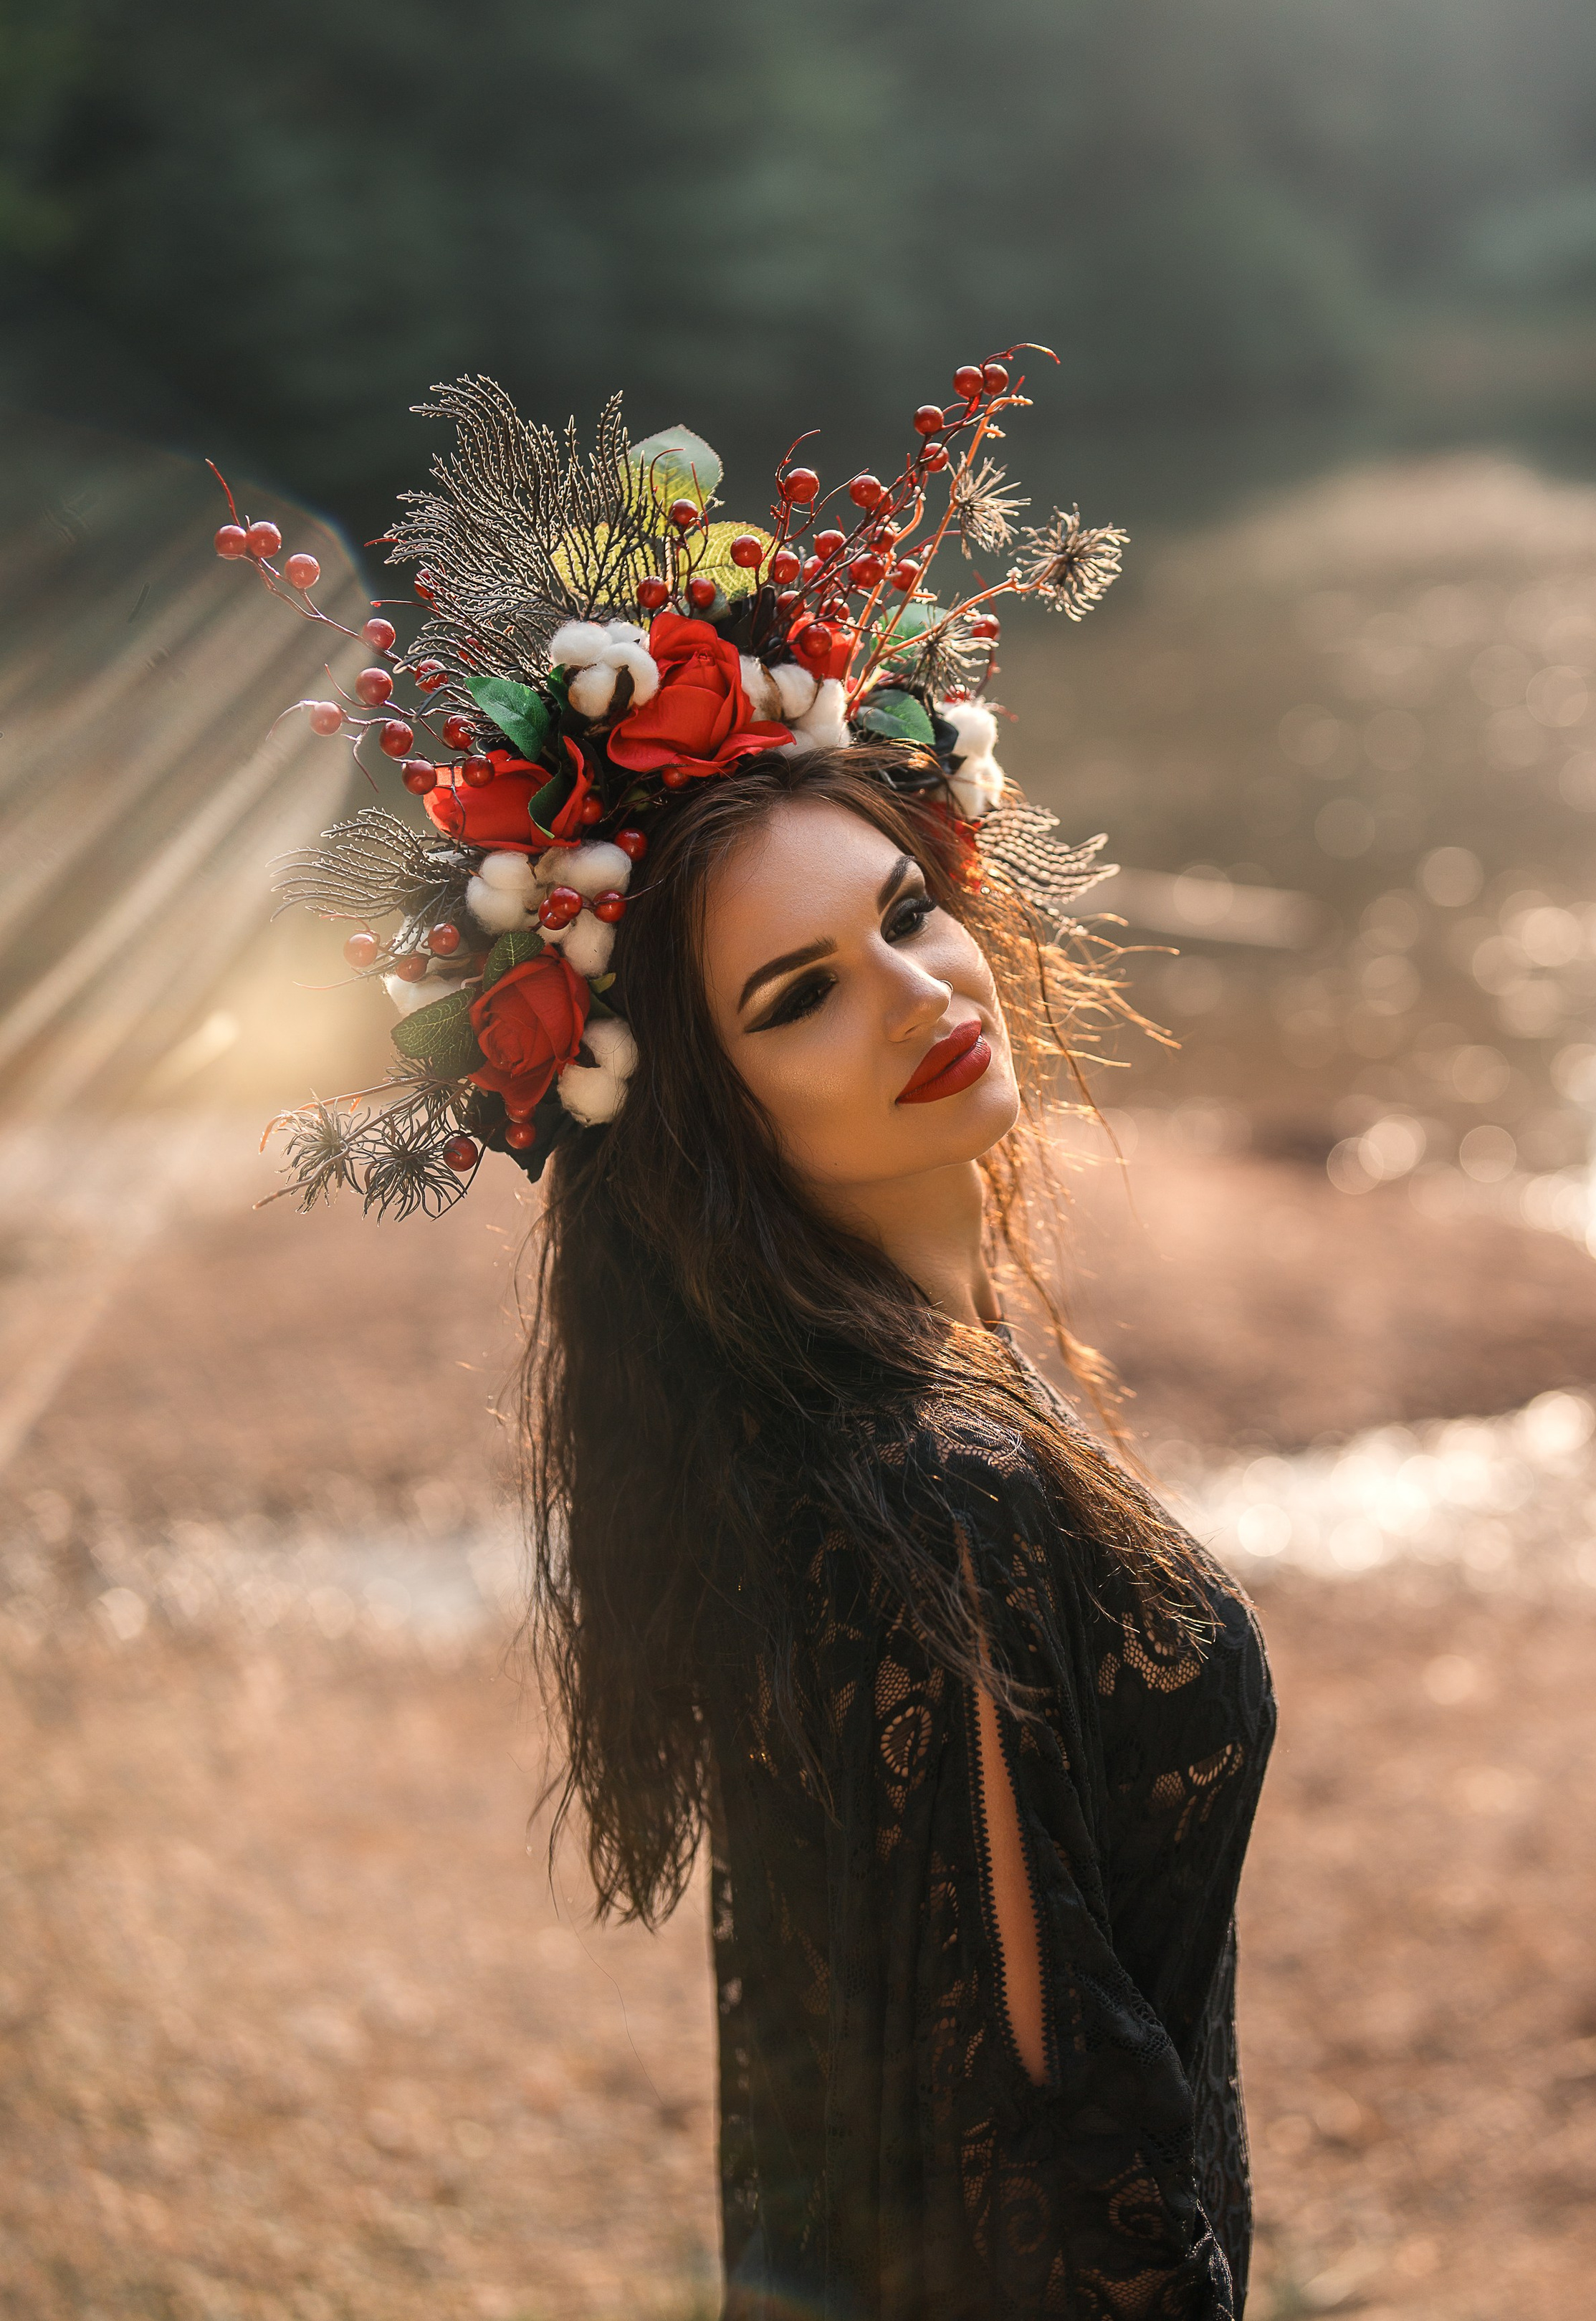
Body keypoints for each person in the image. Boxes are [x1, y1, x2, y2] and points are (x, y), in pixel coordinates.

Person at [231, 355, 1276, 2316]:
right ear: (713, 1120)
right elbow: (1041, 2152)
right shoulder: (924, 1494)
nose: (914, 988)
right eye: (799, 993)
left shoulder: (864, 1403)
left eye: (901, 907)